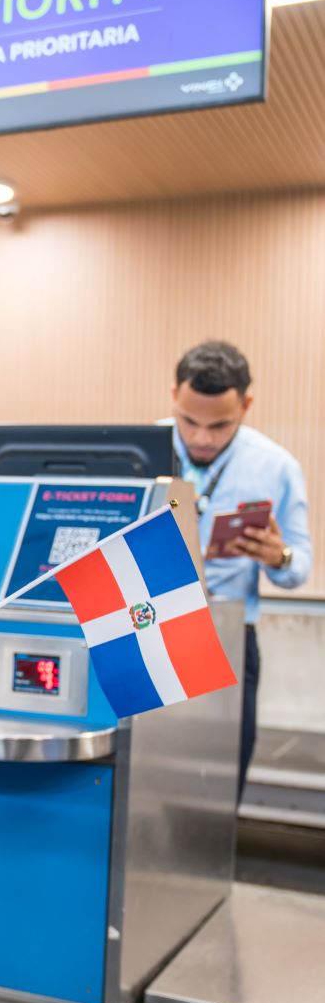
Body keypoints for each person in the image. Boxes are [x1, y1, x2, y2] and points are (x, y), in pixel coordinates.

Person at [169, 340, 311, 797]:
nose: (202, 438)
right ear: (174, 395)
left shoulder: (276, 466)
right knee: (149, 774)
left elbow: (299, 565)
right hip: (152, 627)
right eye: (190, 421)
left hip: (230, 634)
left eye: (220, 425)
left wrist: (278, 557)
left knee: (221, 780)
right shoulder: (139, 452)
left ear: (246, 405)